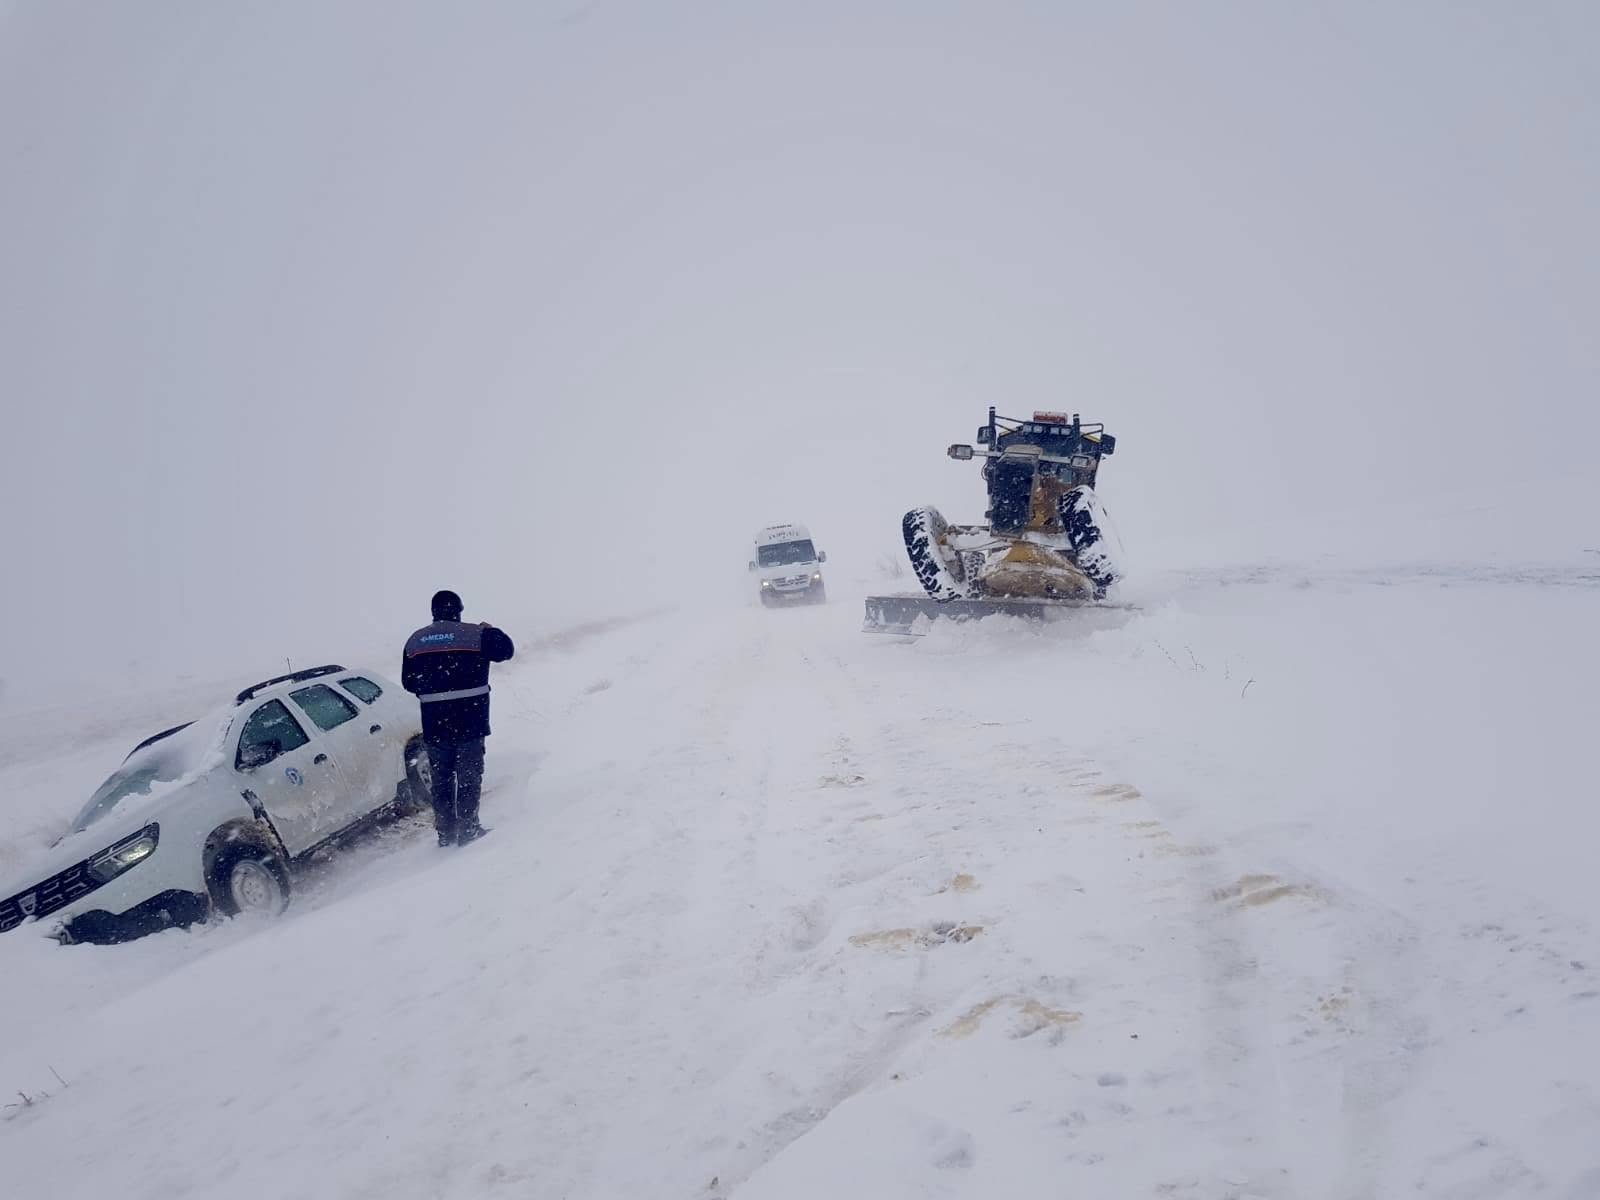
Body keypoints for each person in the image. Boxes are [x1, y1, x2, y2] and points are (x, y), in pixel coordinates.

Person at [401, 590, 515, 846]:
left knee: (441, 781)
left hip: (435, 724)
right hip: (470, 721)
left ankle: (446, 834)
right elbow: (506, 651)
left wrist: (435, 686)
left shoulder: (416, 641)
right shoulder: (476, 634)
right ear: (458, 610)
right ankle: (468, 830)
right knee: (468, 777)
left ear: (433, 612)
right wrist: (491, 630)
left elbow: (408, 682)